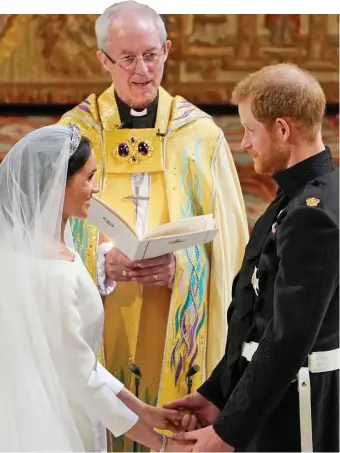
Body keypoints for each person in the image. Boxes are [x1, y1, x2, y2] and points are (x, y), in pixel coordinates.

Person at [59, 0, 249, 432]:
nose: (141, 69)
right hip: (103, 315)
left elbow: (232, 249)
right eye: (127, 58)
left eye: (151, 54)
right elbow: (45, 230)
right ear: (103, 60)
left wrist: (182, 265)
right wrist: (101, 261)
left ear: (166, 50)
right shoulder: (74, 134)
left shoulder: (200, 136)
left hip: (177, 318)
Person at [166, 63, 339, 452]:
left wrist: (229, 432)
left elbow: (288, 339)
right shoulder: (294, 197)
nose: (243, 142)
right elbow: (255, 317)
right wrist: (216, 395)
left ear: (282, 129)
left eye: (250, 130)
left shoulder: (313, 211)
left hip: (298, 406)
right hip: (272, 397)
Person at [0, 124, 190, 452]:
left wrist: (144, 411)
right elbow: (80, 379)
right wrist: (159, 444)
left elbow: (83, 362)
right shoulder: (53, 271)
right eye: (88, 178)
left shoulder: (54, 253)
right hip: (56, 425)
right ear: (57, 184)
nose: (96, 188)